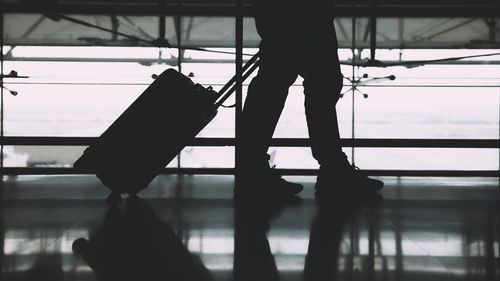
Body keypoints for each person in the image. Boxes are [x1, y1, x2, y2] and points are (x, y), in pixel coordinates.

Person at [238, 0, 383, 196]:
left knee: (274, 83)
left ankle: (252, 168)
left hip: (284, 11)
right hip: (309, 12)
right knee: (317, 83)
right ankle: (332, 168)